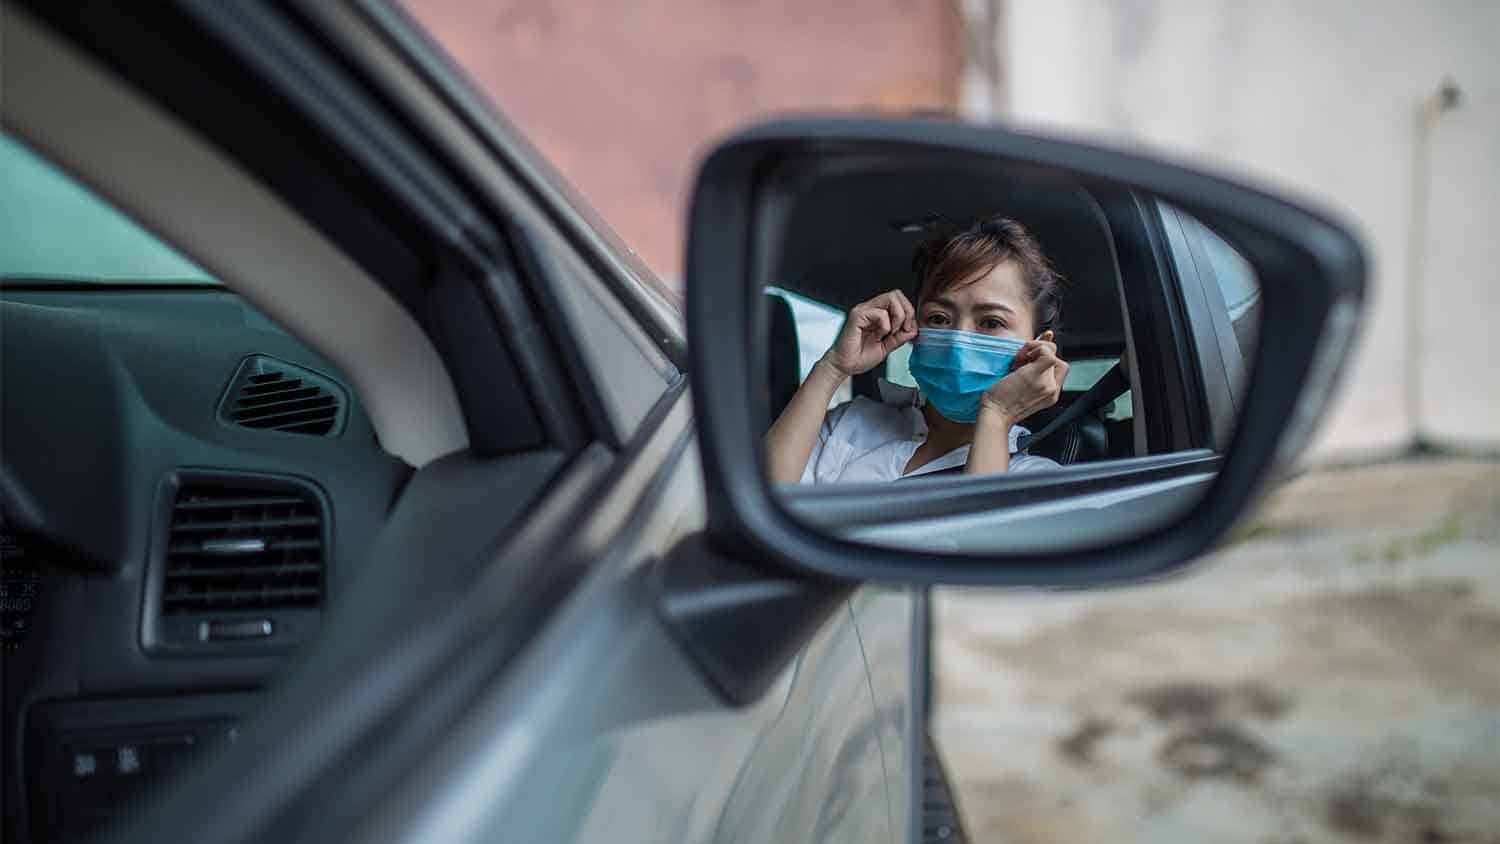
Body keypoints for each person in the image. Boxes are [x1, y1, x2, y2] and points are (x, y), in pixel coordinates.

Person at [766, 215, 1069, 484]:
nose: (957, 340)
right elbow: (758, 500)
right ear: (914, 326)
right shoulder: (850, 423)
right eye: (938, 318)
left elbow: (978, 542)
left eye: (991, 322)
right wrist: (832, 368)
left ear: (1037, 349)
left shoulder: (1038, 478)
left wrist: (997, 415)